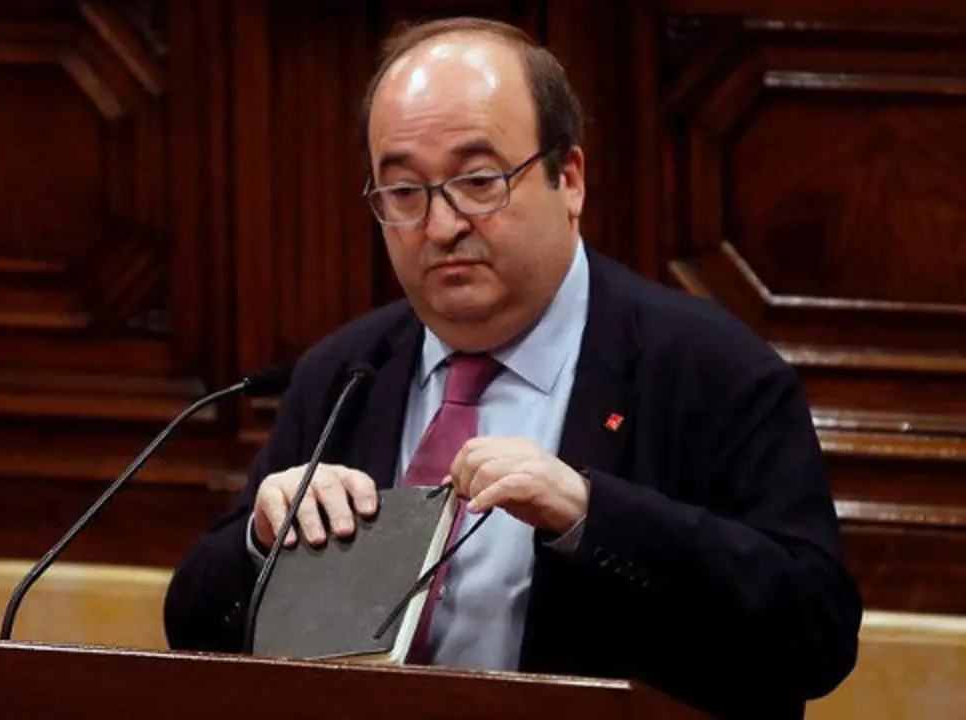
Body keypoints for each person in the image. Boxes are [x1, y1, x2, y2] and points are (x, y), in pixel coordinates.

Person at [163, 16, 861, 719]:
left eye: (477, 180)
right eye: (404, 193)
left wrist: (596, 516)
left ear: (571, 179)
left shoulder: (709, 370)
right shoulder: (347, 372)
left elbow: (816, 632)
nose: (440, 226)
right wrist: (262, 543)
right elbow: (191, 625)